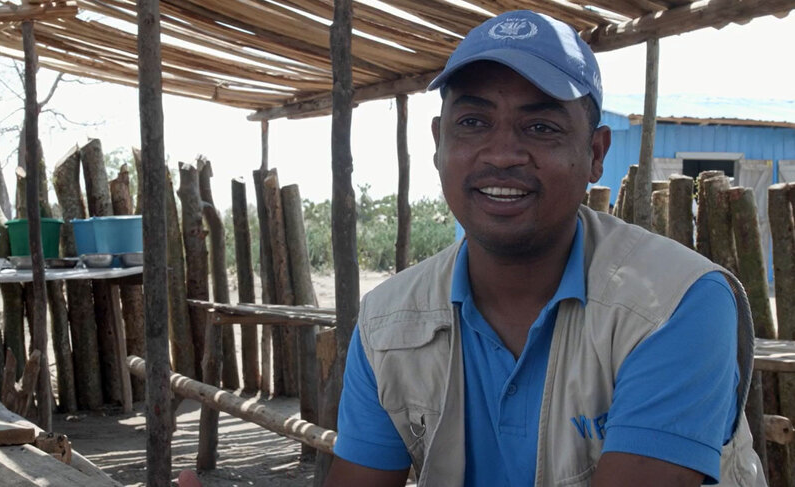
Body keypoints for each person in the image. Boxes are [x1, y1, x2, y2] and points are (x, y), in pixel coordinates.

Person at [324, 10, 765, 487]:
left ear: (595, 154)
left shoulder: (677, 302)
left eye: (541, 128)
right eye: (473, 122)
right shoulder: (388, 321)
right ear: (438, 142)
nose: (502, 154)